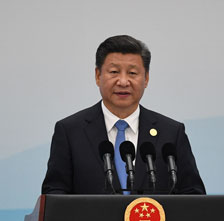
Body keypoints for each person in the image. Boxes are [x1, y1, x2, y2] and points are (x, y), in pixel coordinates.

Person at [41, 35, 205, 195]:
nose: (123, 81)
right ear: (98, 76)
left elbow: (194, 195)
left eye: (133, 73)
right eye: (114, 72)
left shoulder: (171, 133)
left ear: (146, 78)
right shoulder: (70, 131)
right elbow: (54, 196)